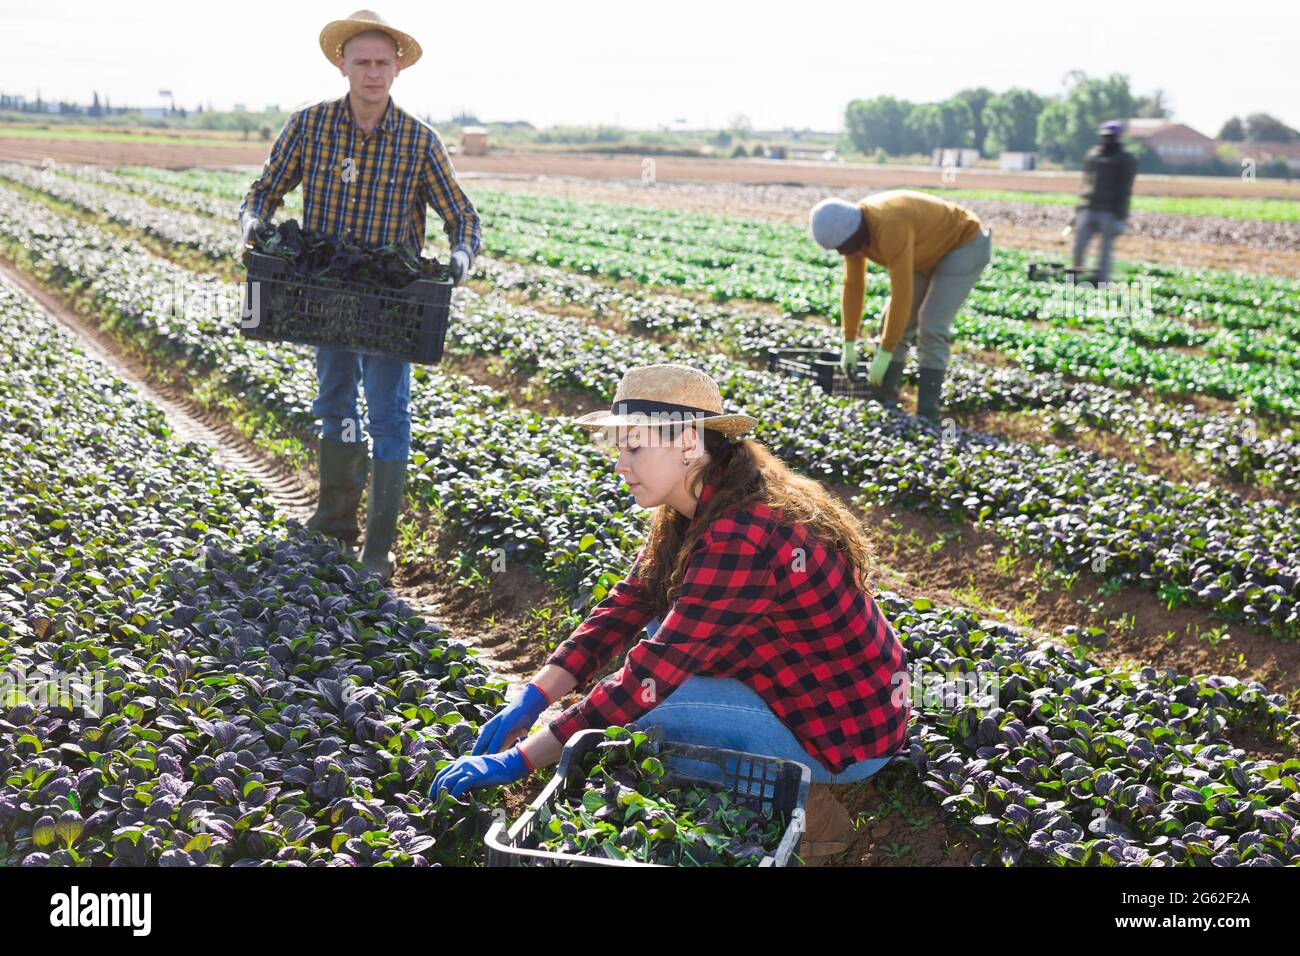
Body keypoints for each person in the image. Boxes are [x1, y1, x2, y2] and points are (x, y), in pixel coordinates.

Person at [430, 364, 912, 864]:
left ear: (686, 443)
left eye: (634, 447)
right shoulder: (703, 499)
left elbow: (650, 677)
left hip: (845, 735)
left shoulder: (742, 532)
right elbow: (628, 602)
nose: (620, 464)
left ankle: (813, 818)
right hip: (808, 697)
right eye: (617, 448)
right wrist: (533, 699)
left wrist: (517, 760)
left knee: (640, 720)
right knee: (655, 632)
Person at [239, 10, 483, 584]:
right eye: (362, 62)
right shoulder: (310, 126)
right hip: (324, 295)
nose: (372, 72)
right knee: (336, 405)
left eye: (382, 62)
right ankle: (333, 527)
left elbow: (463, 218)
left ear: (397, 67)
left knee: (389, 413)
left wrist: (460, 260)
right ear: (342, 65)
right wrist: (252, 225)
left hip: (390, 306)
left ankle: (378, 548)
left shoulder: (419, 142)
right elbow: (265, 190)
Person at [809, 190, 992, 423]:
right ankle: (886, 401)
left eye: (843, 247)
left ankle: (928, 414)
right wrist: (849, 341)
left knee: (931, 323)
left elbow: (901, 294)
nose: (843, 253)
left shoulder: (889, 225)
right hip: (924, 251)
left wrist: (885, 352)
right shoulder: (852, 237)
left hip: (963, 244)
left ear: (855, 232)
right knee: (892, 323)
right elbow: (853, 285)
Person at [1070, 120, 1138, 285]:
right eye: (1105, 136)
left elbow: (1125, 189)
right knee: (1079, 245)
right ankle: (1075, 278)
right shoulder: (1093, 155)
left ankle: (1101, 282)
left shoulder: (1125, 159)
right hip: (1089, 207)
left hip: (1109, 211)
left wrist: (1121, 216)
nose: (1107, 139)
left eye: (1111, 136)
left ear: (1118, 137)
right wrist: (1078, 210)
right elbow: (1086, 182)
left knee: (1104, 252)